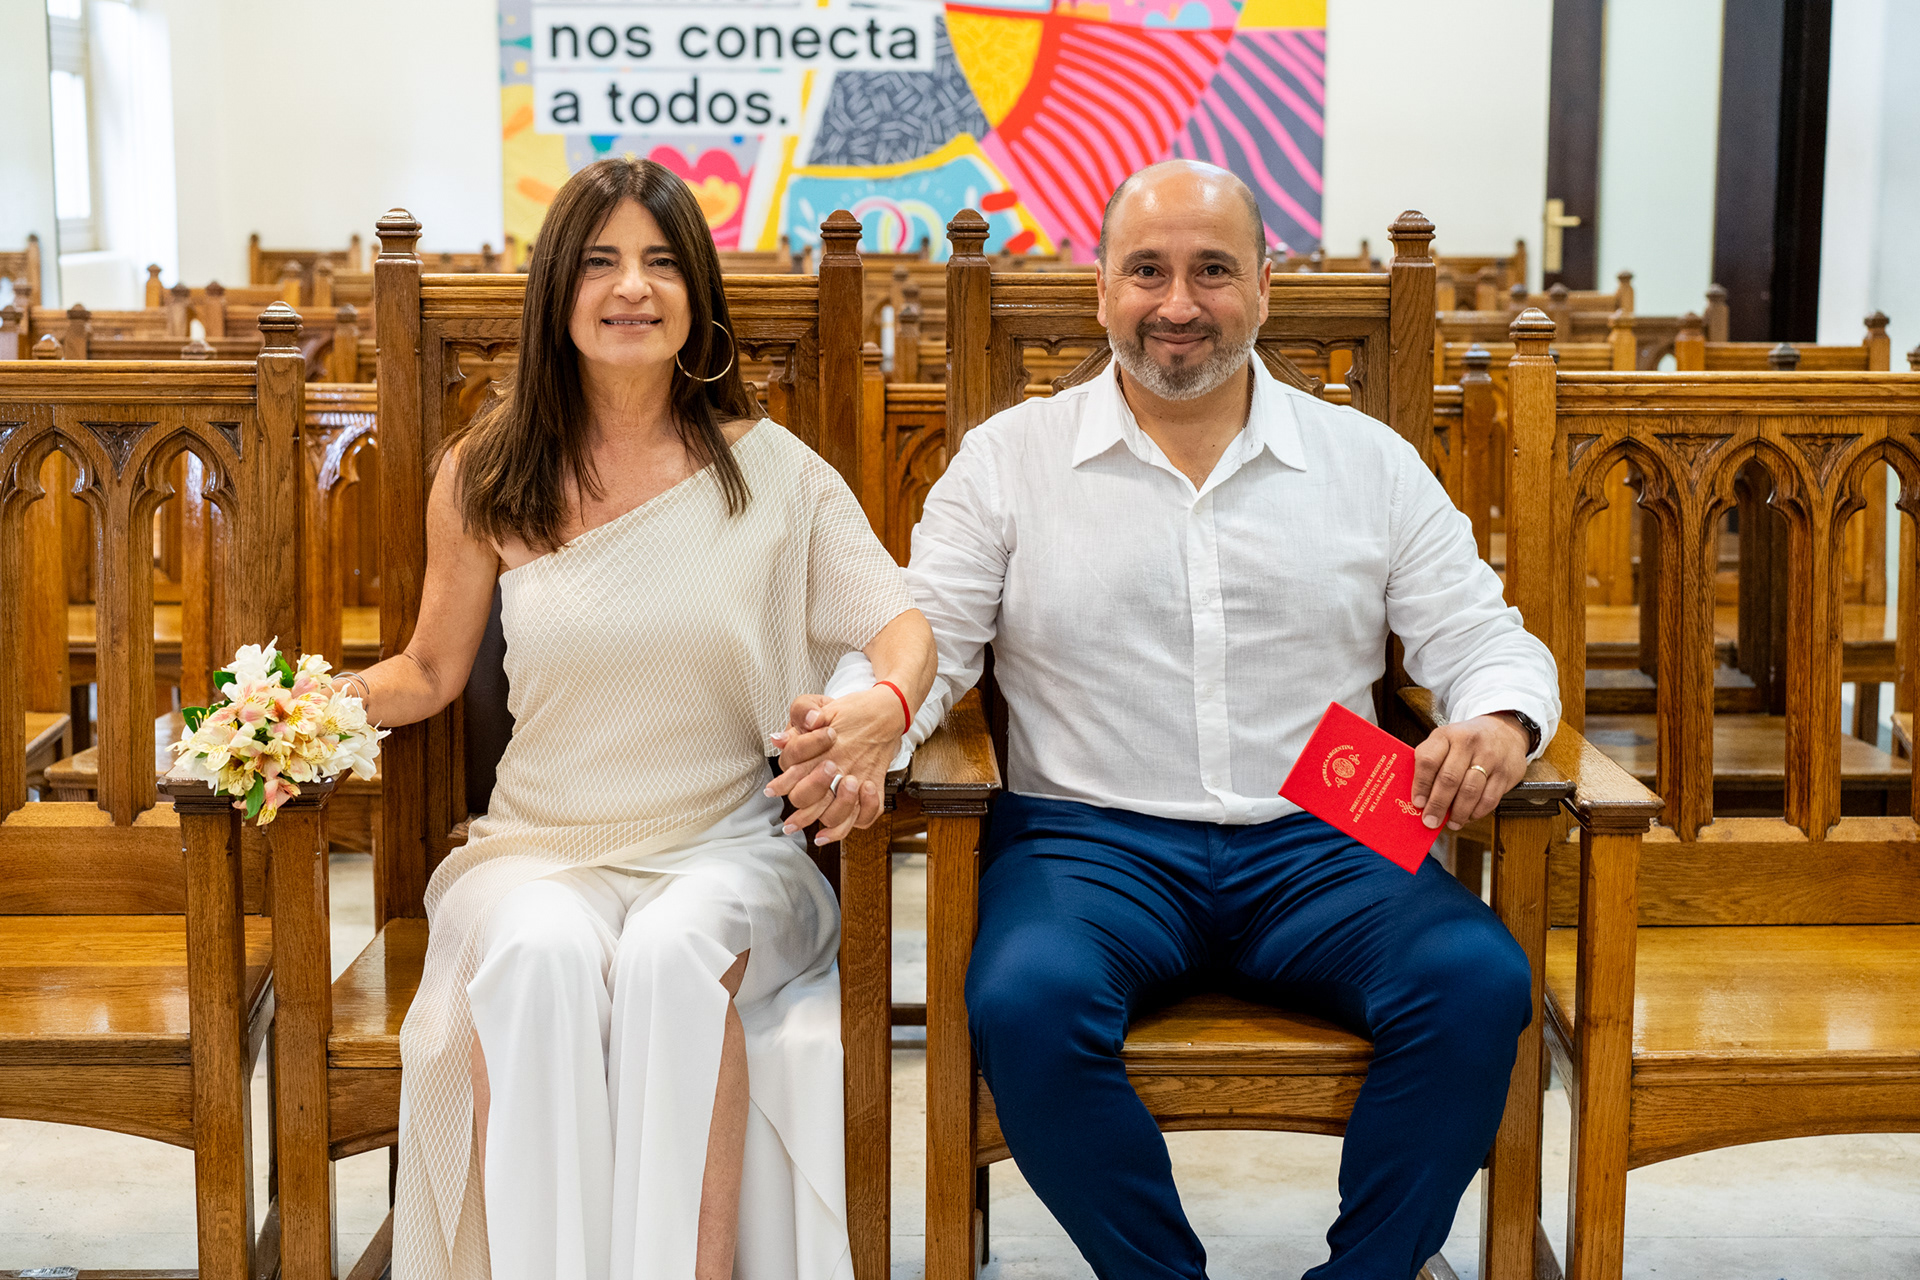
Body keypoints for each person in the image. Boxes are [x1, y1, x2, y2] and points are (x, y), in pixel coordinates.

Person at [787, 160, 1560, 1280]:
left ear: (1264, 288)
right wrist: (872, 713)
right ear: (1102, 290)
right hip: (1086, 831)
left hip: (1331, 815)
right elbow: (930, 636)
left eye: (1214, 271)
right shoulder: (1011, 459)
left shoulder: (1366, 462)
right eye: (1147, 270)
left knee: (1478, 981)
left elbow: (1485, 634)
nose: (1179, 303)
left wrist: (1499, 718)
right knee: (1025, 999)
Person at [338, 157, 935, 1280]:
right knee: (538, 953)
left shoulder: (774, 471)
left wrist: (883, 706)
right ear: (556, 292)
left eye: (662, 262)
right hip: (539, 845)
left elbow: (901, 625)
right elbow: (426, 667)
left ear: (697, 294)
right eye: (601, 262)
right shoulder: (487, 471)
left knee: (673, 951)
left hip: (726, 848)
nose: (632, 288)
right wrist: (303, 708)